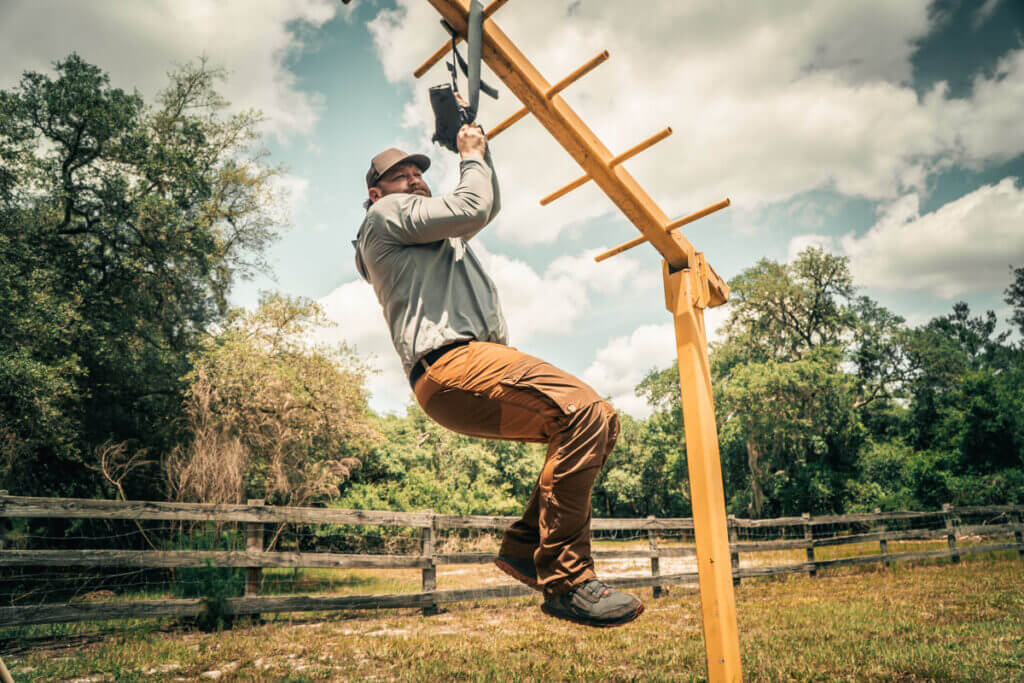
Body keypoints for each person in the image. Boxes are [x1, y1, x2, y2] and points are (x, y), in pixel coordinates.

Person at [352, 121, 644, 628]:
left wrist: (478, 152)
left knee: (596, 422)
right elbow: (473, 206)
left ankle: (528, 547)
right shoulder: (384, 215)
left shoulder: (422, 228)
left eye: (419, 174)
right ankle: (568, 582)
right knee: (586, 409)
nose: (417, 181)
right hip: (452, 362)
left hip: (466, 371)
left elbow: (485, 204)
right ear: (377, 193)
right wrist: (467, 156)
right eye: (402, 177)